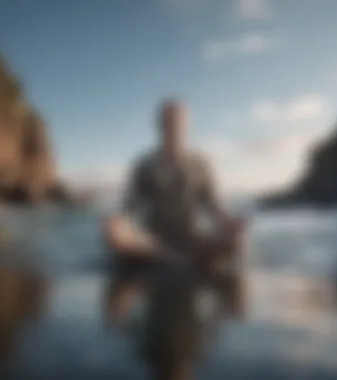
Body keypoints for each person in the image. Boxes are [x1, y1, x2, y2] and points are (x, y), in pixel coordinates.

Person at [103, 99, 247, 327]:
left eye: (178, 121)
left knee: (236, 238)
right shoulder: (144, 165)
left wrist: (231, 224)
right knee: (116, 236)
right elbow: (130, 208)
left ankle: (180, 258)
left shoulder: (200, 165)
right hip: (154, 242)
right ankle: (178, 259)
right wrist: (116, 224)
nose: (173, 126)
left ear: (187, 124)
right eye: (168, 121)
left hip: (192, 237)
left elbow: (213, 206)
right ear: (159, 125)